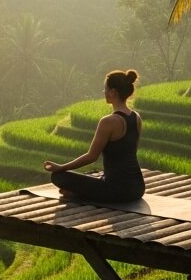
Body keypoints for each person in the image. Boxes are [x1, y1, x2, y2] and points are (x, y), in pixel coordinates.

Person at [43, 69, 145, 201]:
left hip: (117, 190)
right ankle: (82, 192)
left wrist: (61, 167)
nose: (104, 92)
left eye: (105, 89)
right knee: (95, 177)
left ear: (113, 92)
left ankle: (78, 193)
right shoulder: (136, 117)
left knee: (58, 177)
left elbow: (92, 156)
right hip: (137, 188)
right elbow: (132, 152)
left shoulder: (108, 121)